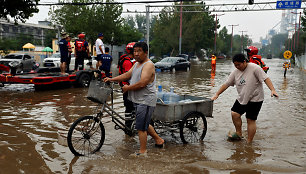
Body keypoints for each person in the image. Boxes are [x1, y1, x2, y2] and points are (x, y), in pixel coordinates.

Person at [104, 42, 164, 156]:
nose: (136, 54)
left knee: (141, 128)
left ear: (146, 52)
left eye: (139, 51)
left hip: (145, 100)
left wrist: (127, 88)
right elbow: (127, 75)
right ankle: (159, 140)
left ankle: (142, 152)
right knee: (143, 123)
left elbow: (142, 83)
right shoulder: (136, 64)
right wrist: (111, 79)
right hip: (138, 99)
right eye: (134, 51)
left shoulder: (148, 65)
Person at [211, 53, 278, 144]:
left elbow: (266, 78)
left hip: (256, 98)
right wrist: (217, 94)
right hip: (243, 97)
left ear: (244, 61)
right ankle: (239, 133)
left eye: (239, 64)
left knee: (250, 120)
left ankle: (249, 142)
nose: (237, 67)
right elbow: (226, 84)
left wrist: (272, 90)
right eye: (235, 65)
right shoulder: (235, 72)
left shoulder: (255, 68)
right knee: (235, 114)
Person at [118, 42, 136, 129]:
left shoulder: (125, 59)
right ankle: (129, 127)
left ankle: (129, 126)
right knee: (130, 108)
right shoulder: (128, 62)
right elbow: (128, 76)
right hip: (128, 89)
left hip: (127, 88)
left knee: (130, 108)